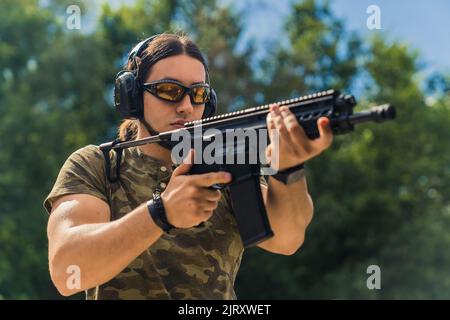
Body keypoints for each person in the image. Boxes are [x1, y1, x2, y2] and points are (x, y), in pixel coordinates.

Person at [44, 33, 333, 300]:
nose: (185, 106)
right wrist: (162, 212)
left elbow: (287, 239)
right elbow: (67, 271)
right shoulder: (97, 165)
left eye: (198, 94)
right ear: (131, 95)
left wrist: (289, 169)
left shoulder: (221, 165)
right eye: (169, 90)